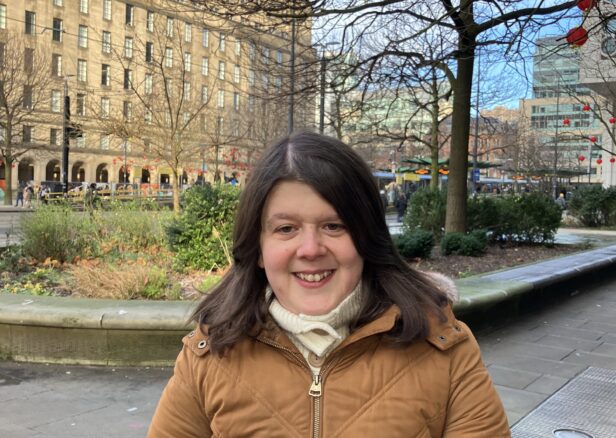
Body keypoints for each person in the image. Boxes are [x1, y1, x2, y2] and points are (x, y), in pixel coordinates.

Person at [149, 132, 510, 437]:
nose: (310, 250)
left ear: (367, 236)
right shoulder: (208, 355)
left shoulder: (445, 349)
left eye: (334, 226)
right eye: (286, 228)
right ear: (258, 247)